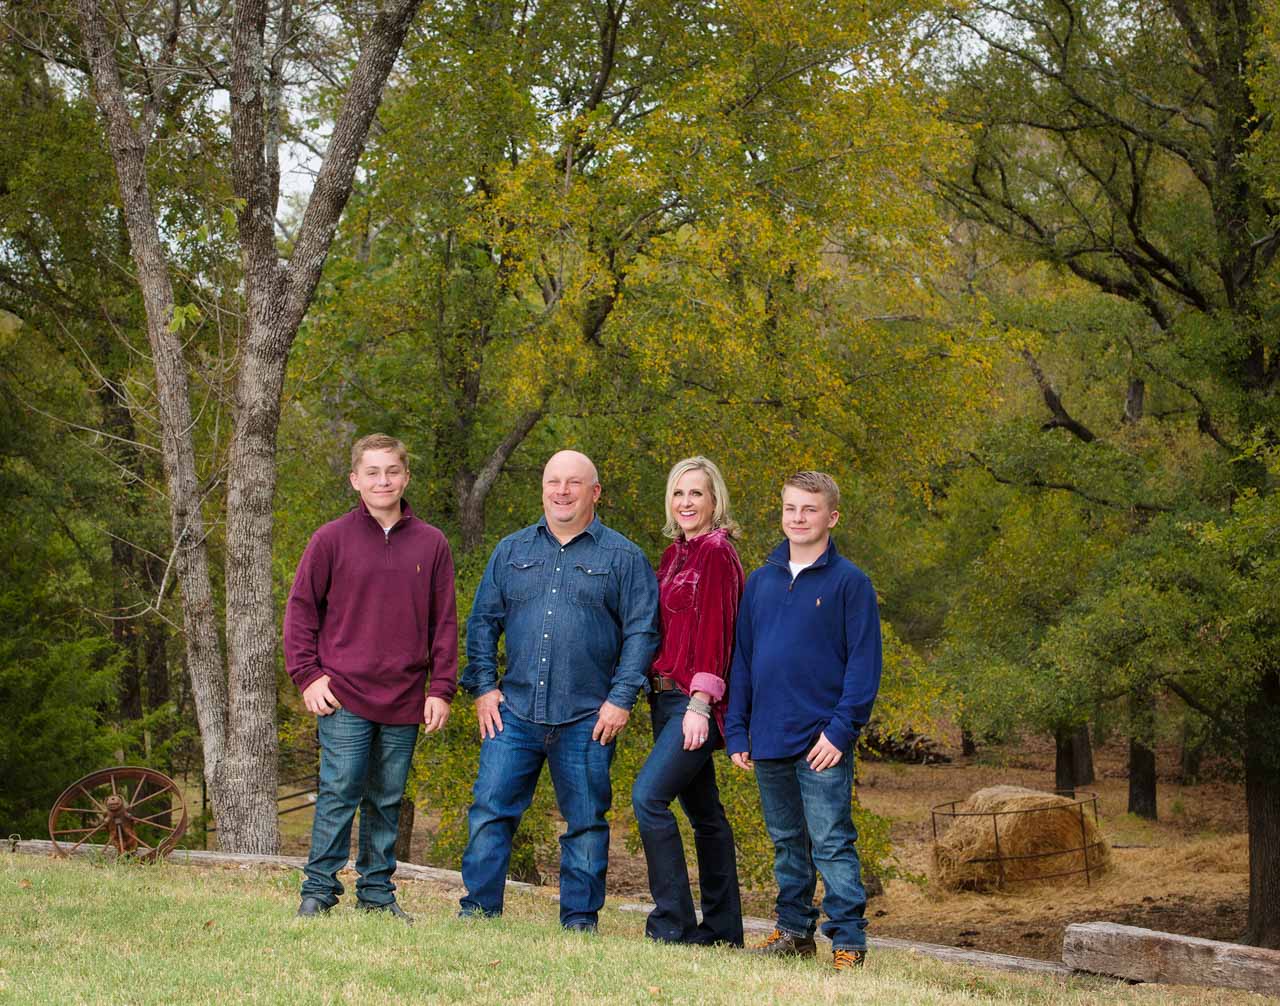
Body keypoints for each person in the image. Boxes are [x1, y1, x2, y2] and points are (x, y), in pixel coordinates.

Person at [458, 450, 660, 931]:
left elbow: (643, 633)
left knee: (586, 823)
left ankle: (579, 922)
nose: (562, 491)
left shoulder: (623, 557)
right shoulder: (511, 551)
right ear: (543, 488)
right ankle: (478, 914)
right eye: (553, 481)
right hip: (514, 713)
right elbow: (483, 622)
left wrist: (621, 699)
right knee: (490, 812)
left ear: (595, 493)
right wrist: (484, 687)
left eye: (573, 483)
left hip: (588, 717)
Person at [284, 434, 458, 922]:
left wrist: (441, 689)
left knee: (387, 798)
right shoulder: (330, 539)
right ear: (355, 480)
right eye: (373, 472)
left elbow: (443, 622)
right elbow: (300, 613)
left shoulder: (432, 543)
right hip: (344, 694)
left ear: (405, 477)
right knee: (340, 789)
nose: (383, 481)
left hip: (405, 696)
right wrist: (307, 676)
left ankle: (377, 894)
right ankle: (318, 891)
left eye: (392, 472)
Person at [724, 471, 882, 972]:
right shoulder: (761, 580)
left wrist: (841, 731)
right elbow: (743, 660)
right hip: (768, 735)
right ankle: (793, 931)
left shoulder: (850, 584)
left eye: (810, 510)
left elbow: (863, 665)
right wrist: (737, 729)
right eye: (791, 508)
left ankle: (849, 941)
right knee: (787, 842)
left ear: (831, 517)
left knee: (832, 840)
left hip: (822, 741)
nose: (798, 518)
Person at [631, 456, 745, 946]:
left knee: (649, 798)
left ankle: (671, 925)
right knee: (706, 816)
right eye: (678, 493)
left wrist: (700, 703)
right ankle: (721, 931)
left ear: (714, 499)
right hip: (665, 699)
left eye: (696, 493)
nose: (685, 502)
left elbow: (719, 632)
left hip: (693, 704)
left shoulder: (717, 552)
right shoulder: (675, 553)